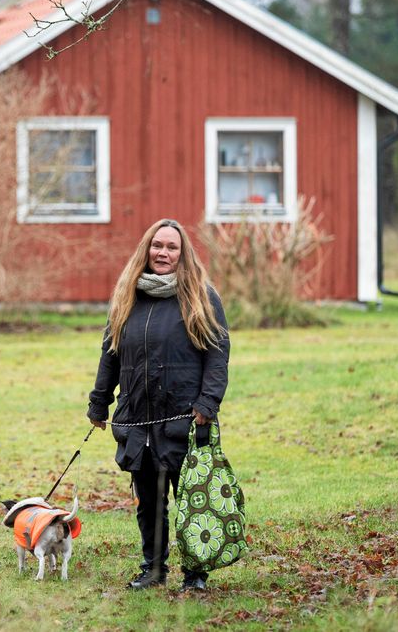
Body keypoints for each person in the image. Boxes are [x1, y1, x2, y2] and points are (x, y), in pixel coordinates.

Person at [86, 218, 229, 593]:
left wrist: (207, 403)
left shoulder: (200, 295)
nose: (163, 253)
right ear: (146, 250)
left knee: (192, 500)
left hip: (185, 417)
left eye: (171, 247)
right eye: (157, 246)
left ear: (183, 255)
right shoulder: (128, 296)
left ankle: (195, 574)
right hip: (138, 418)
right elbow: (110, 354)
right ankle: (153, 568)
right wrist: (99, 404)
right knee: (149, 501)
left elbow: (217, 356)